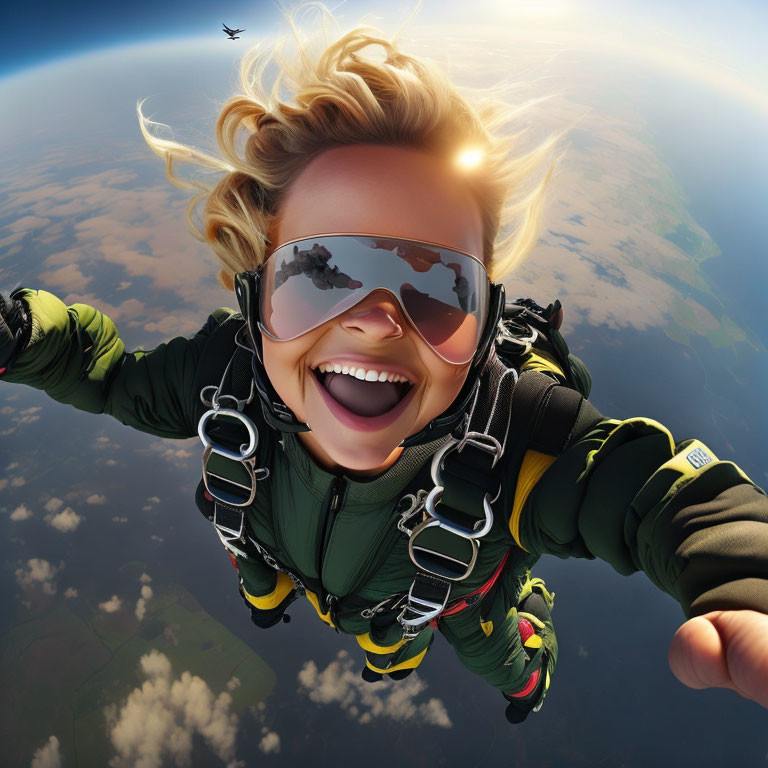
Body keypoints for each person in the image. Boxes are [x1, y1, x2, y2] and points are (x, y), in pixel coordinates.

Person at [2, 6, 768, 725]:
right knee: (264, 578)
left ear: (488, 322)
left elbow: (662, 498)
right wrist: (18, 335)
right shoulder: (223, 372)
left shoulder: (520, 444)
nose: (375, 320)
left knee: (492, 651)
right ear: (254, 298)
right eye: (320, 272)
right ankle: (292, 603)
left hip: (442, 595)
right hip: (285, 546)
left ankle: (485, 655)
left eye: (437, 284)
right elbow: (103, 373)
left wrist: (745, 577)